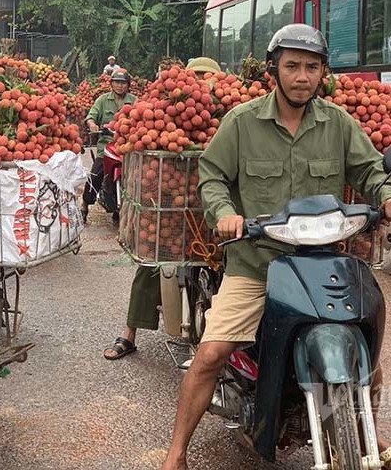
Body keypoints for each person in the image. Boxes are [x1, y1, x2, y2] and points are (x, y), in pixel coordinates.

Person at [161, 24, 391, 470]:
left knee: (369, 352)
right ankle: (176, 453)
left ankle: (368, 437)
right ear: (274, 70)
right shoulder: (242, 122)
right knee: (211, 354)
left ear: (323, 71)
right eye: (292, 66)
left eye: (311, 67)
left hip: (323, 262)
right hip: (256, 263)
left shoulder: (339, 123)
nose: (301, 76)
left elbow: (370, 171)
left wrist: (385, 194)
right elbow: (212, 177)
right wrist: (224, 213)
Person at [104, 57, 222, 361]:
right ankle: (130, 332)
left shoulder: (224, 116)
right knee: (151, 261)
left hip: (210, 207)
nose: (197, 84)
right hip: (167, 205)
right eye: (193, 77)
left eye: (203, 79)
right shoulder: (157, 112)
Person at [82, 69, 136, 224]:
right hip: (106, 146)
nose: (120, 86)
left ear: (128, 85)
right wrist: (92, 124)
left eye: (123, 83)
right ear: (111, 84)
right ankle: (85, 204)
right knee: (96, 175)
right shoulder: (103, 100)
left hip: (126, 146)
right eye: (117, 82)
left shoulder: (134, 101)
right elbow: (91, 116)